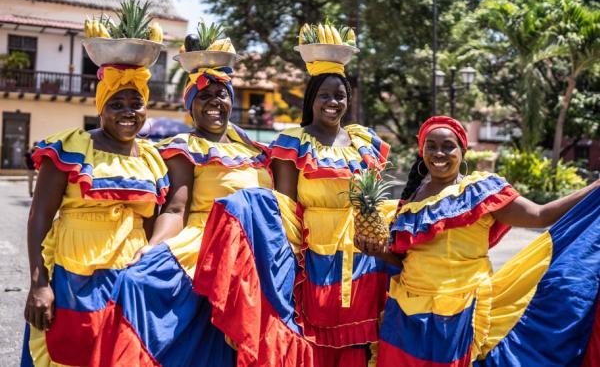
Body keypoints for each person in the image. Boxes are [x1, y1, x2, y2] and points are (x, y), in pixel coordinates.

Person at [90, 58, 307, 366]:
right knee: (139, 284)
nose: (214, 102)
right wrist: (153, 247)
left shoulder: (257, 152)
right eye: (204, 96)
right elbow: (177, 208)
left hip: (261, 249)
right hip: (205, 245)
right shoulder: (183, 147)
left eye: (222, 94)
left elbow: (282, 203)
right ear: (190, 106)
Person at [356, 116, 600, 366]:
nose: (439, 153)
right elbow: (404, 261)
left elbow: (540, 215)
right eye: (431, 146)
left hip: (457, 312)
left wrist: (596, 186)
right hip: (406, 312)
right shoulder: (409, 204)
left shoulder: (480, 192)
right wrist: (378, 251)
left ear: (463, 150)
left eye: (448, 146)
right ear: (422, 151)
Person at [21, 56, 168, 366]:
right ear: (100, 108)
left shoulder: (152, 157)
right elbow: (40, 217)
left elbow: (154, 221)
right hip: (74, 276)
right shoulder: (71, 148)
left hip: (130, 279)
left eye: (136, 103)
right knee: (71, 355)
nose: (128, 112)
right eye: (116, 103)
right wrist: (39, 284)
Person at [270, 54, 396, 366]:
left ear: (348, 101)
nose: (332, 102)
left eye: (339, 96)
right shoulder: (294, 141)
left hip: (363, 253)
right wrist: (289, 259)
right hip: (313, 253)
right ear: (311, 99)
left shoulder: (362, 141)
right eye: (324, 95)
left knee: (358, 339)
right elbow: (284, 205)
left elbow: (373, 200)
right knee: (311, 332)